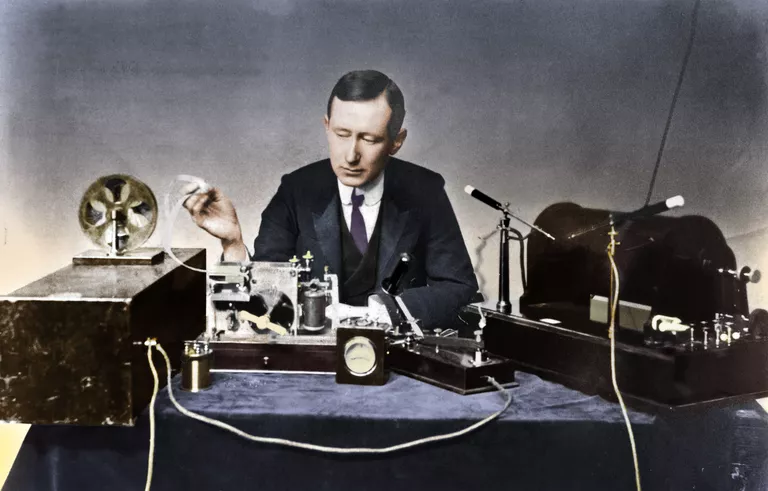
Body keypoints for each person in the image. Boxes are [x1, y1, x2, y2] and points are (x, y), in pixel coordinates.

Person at [183, 70, 478, 328]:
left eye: (369, 139)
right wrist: (233, 244)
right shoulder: (295, 190)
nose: (351, 155)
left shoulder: (425, 190)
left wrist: (383, 314)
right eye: (341, 134)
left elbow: (458, 287)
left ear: (396, 142)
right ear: (327, 126)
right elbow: (264, 297)